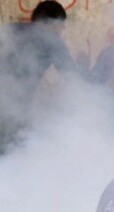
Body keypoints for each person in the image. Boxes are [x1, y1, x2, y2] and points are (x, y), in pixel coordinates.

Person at [0, 1, 77, 150]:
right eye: (61, 25)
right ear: (52, 23)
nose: (62, 30)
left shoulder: (7, 31)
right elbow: (73, 76)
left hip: (7, 105)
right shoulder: (51, 39)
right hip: (14, 112)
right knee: (12, 154)